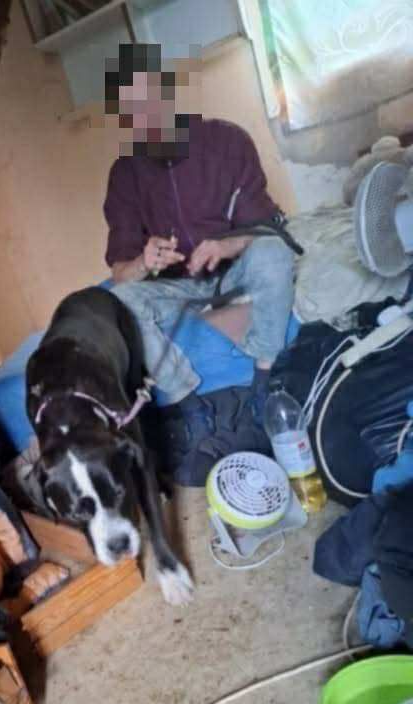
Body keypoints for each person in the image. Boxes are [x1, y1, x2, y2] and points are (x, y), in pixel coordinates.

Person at [103, 43, 295, 434]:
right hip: (178, 288)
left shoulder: (226, 141)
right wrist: (144, 262)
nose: (145, 115)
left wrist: (225, 245)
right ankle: (187, 401)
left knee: (274, 254)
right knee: (119, 299)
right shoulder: (124, 174)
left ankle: (263, 376)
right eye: (132, 109)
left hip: (232, 273)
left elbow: (266, 227)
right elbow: (121, 273)